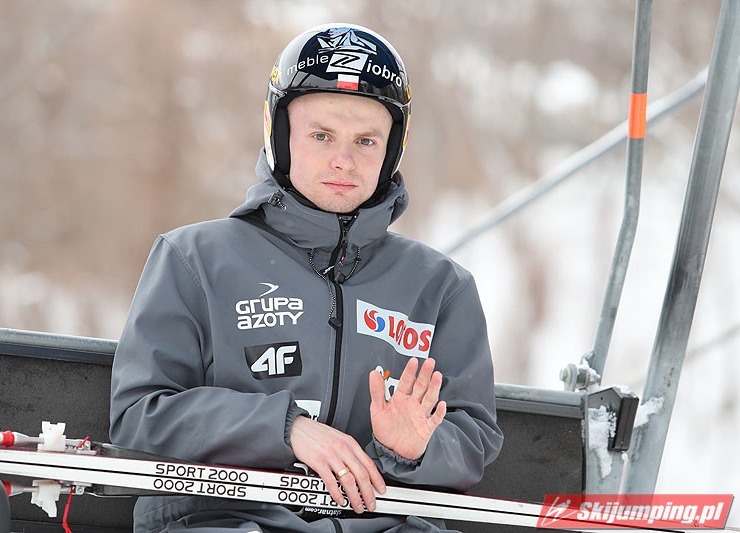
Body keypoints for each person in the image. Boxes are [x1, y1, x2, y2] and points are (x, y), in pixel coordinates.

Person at [110, 22, 503, 533]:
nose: (344, 161)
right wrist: (286, 429)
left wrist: (417, 447)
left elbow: (473, 437)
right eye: (322, 136)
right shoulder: (194, 259)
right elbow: (140, 412)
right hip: (227, 521)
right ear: (281, 136)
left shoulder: (440, 287)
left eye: (366, 141)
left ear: (392, 150)